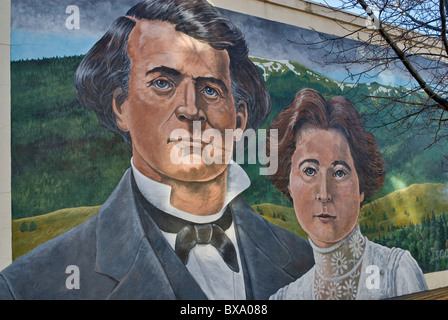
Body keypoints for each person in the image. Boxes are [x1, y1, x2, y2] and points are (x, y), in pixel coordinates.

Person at [0, 0, 313, 300]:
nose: (192, 109)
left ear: (240, 120)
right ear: (121, 106)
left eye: (210, 89)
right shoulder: (29, 286)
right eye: (163, 83)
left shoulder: (306, 264)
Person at [268, 88, 428, 300]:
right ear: (289, 185)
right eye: (309, 171)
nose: (324, 194)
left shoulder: (397, 273)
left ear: (361, 187)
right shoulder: (286, 298)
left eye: (340, 172)